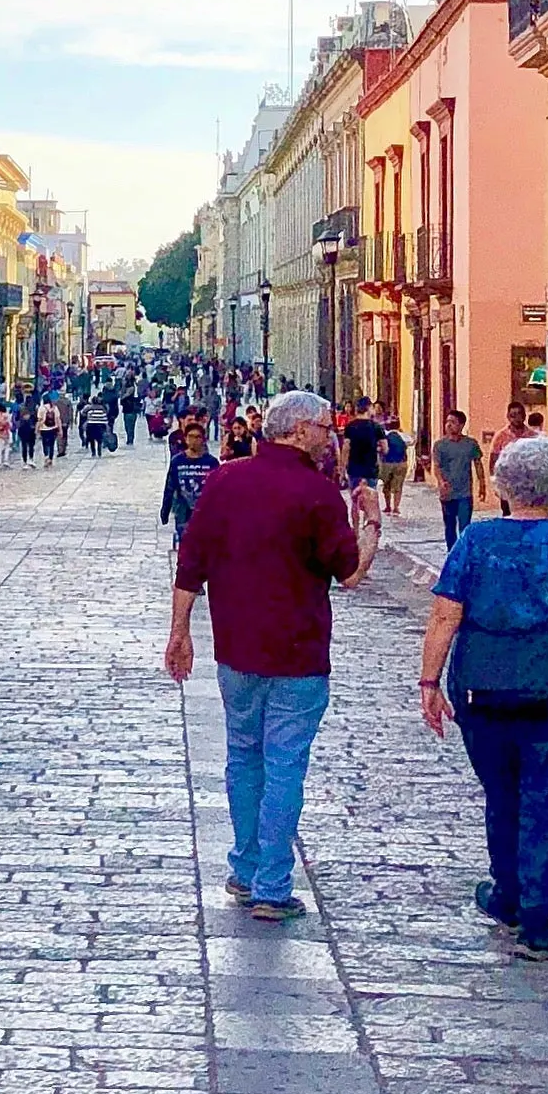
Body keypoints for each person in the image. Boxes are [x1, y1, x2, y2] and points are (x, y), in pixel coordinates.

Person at [164, 391, 371, 921]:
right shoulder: (318, 493)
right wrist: (370, 525)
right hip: (297, 654)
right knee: (284, 765)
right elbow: (349, 574)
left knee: (243, 756)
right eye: (326, 428)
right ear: (300, 431)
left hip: (236, 650)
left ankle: (246, 865)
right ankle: (273, 887)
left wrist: (179, 631)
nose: (331, 437)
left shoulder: (226, 480)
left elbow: (192, 560)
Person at [419, 432, 548, 960]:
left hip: (484, 686)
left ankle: (507, 893)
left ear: (504, 486)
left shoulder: (475, 543)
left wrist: (429, 681)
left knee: (501, 793)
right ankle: (538, 922)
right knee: (546, 802)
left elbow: (444, 615)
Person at [160, 415, 218, 548]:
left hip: (205, 512)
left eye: (197, 437)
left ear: (203, 439)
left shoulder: (211, 463)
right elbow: (170, 486)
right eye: (191, 436)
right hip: (183, 510)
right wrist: (165, 509)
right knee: (186, 544)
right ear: (185, 439)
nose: (194, 441)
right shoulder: (177, 461)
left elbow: (219, 490)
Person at [433, 413, 484, 552]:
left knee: (464, 526)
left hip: (465, 492)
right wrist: (441, 481)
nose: (449, 425)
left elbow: (478, 463)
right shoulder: (440, 445)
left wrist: (482, 484)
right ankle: (452, 552)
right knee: (449, 526)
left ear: (461, 425)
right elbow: (436, 466)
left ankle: (463, 552)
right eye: (447, 421)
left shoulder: (470, 444)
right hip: (447, 493)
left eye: (453, 422)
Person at [340, 397, 385, 498]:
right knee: (370, 501)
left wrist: (342, 469)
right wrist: (377, 449)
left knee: (355, 501)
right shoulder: (376, 427)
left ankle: (355, 513)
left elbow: (346, 448)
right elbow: (385, 449)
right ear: (369, 408)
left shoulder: (350, 426)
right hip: (370, 469)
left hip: (354, 469)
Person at [378, 417, 410, 517]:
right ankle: (396, 508)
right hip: (401, 463)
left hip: (387, 463)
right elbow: (412, 442)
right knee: (398, 487)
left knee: (386, 485)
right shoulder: (404, 436)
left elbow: (380, 447)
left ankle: (388, 506)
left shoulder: (385, 436)